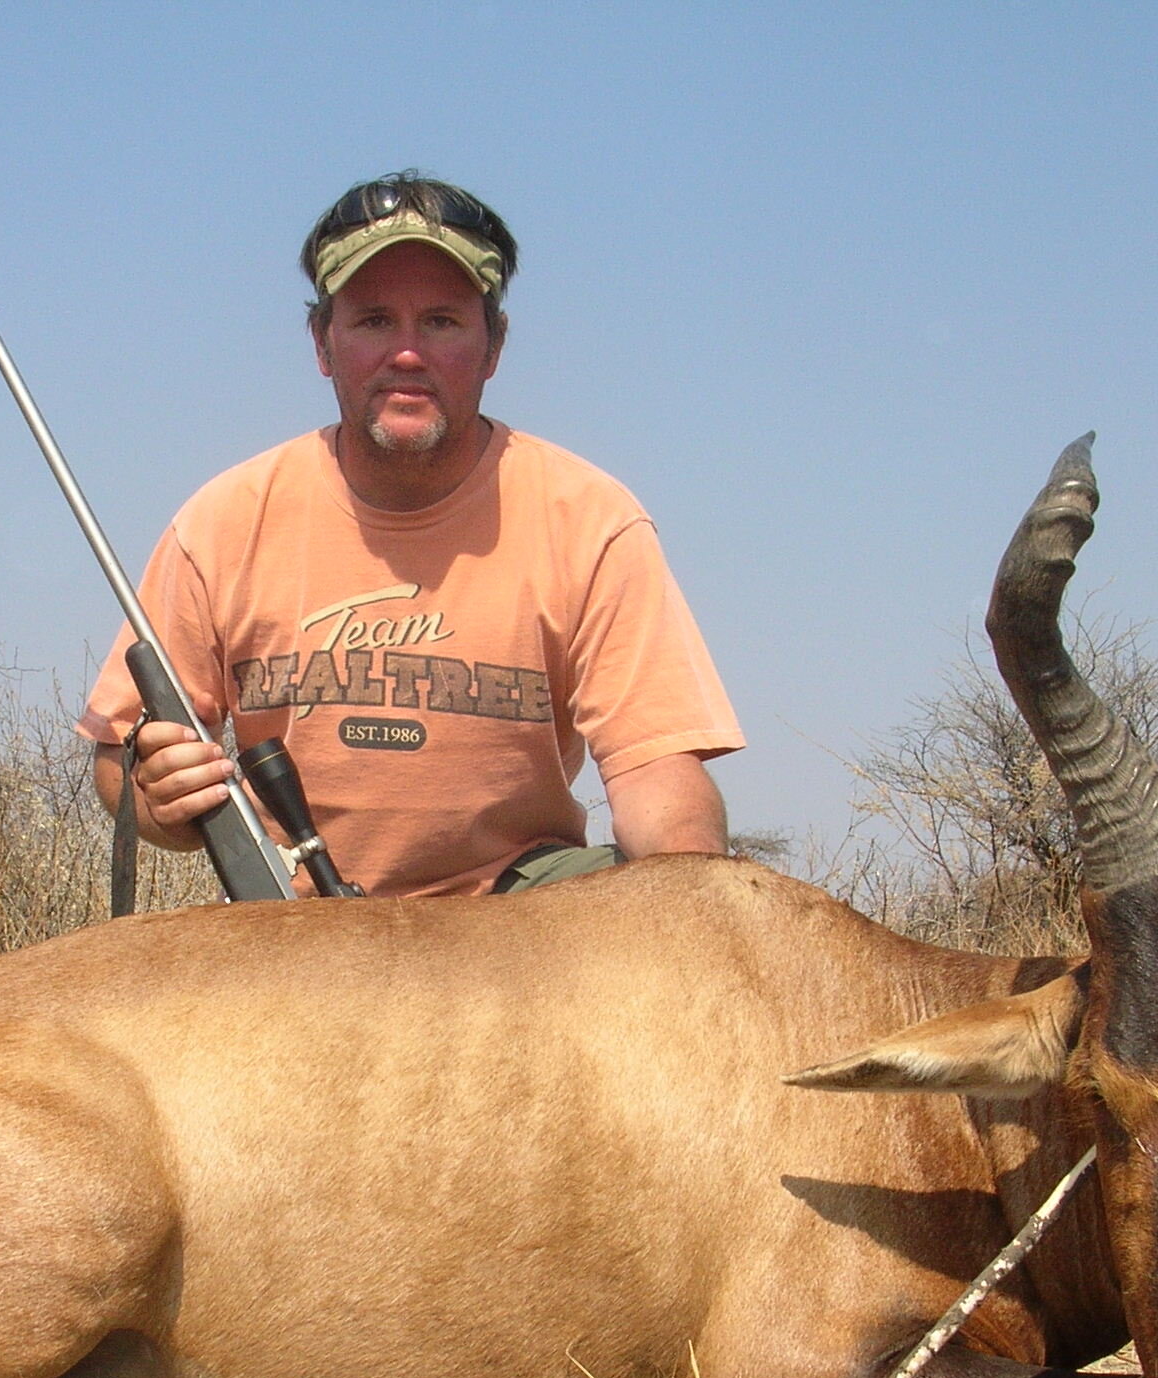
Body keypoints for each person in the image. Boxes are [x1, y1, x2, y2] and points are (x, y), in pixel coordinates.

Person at [81, 171, 743, 897]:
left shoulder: (592, 519)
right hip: (295, 921)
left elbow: (656, 773)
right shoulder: (222, 521)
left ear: (493, 347)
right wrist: (160, 800)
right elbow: (120, 759)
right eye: (372, 321)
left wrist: (692, 903)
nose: (406, 353)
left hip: (519, 915)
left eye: (441, 321)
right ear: (323, 344)